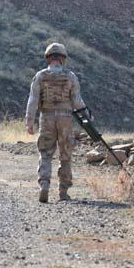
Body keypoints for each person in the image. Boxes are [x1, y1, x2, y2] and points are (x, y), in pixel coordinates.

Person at [25, 43, 87, 203]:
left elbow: (33, 100)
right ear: (63, 59)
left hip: (46, 117)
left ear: (47, 58)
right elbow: (77, 101)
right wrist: (87, 117)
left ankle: (44, 185)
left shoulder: (40, 76)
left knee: (45, 153)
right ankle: (63, 192)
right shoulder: (70, 76)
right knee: (65, 154)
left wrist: (29, 122)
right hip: (65, 118)